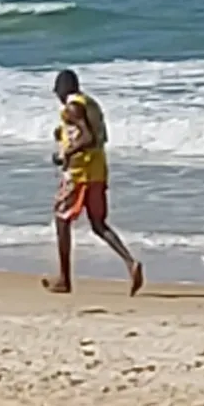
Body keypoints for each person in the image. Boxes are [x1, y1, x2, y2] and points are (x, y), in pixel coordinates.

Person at [42, 69, 144, 296]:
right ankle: (130, 263)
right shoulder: (91, 104)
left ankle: (64, 279)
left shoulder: (71, 108)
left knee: (62, 220)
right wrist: (62, 135)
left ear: (62, 89)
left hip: (80, 173)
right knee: (98, 224)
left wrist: (65, 154)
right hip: (98, 170)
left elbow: (88, 137)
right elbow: (97, 135)